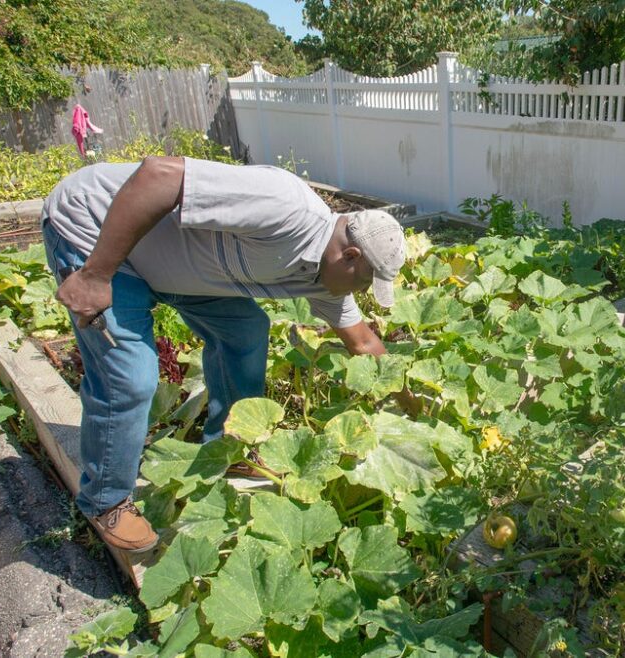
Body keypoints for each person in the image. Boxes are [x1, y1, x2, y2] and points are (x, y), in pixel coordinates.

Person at [42, 155, 416, 553]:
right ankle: (106, 500)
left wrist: (411, 408)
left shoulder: (325, 278)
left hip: (173, 264)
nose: (360, 294)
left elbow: (362, 343)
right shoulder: (286, 207)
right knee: (130, 377)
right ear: (351, 256)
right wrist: (96, 274)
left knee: (246, 328)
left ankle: (226, 446)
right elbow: (159, 175)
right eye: (364, 284)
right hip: (100, 233)